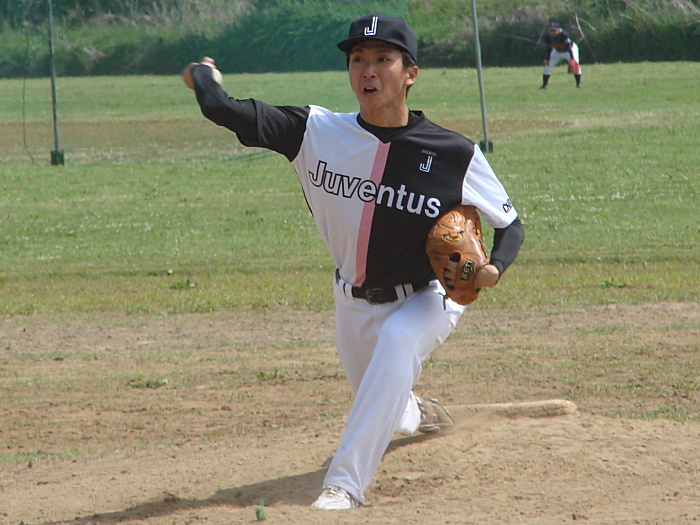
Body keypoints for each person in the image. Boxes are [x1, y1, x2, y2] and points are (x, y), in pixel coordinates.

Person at [183, 12, 524, 510]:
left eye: (383, 59)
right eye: (358, 59)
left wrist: (494, 268)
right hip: (351, 301)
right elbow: (224, 109)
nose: (368, 70)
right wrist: (203, 76)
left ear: (410, 74)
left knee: (399, 339)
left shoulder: (453, 153)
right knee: (387, 403)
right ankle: (416, 413)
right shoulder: (315, 132)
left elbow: (510, 224)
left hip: (428, 296)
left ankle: (343, 486)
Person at [540, 22, 582, 89]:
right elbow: (548, 48)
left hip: (570, 50)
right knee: (547, 66)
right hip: (557, 51)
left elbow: (568, 47)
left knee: (575, 65)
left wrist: (572, 58)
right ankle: (544, 85)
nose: (552, 32)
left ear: (559, 29)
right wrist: (547, 59)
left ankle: (578, 85)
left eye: (554, 30)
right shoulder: (548, 36)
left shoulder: (564, 35)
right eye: (551, 30)